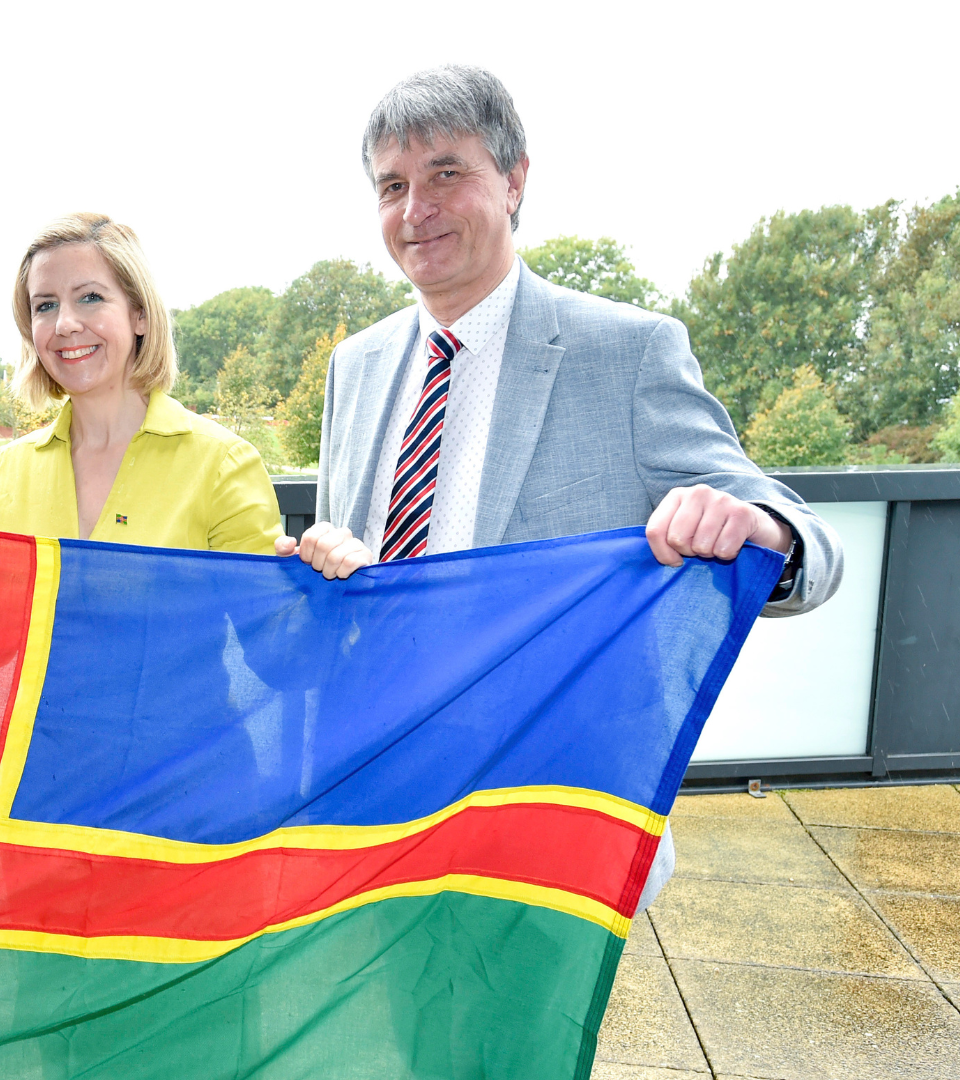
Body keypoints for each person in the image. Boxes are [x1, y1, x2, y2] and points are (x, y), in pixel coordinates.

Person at [279, 65, 846, 909]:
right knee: (404, 1040)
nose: (414, 210)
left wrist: (757, 528)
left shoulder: (628, 351)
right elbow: (351, 560)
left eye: (446, 173)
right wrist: (319, 558)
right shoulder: (353, 366)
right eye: (391, 185)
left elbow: (814, 548)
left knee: (528, 1038)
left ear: (513, 181)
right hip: (385, 789)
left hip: (551, 805)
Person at [0, 213, 282, 553]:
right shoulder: (10, 474)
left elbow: (272, 621)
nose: (65, 324)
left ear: (139, 315)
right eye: (46, 305)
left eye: (90, 297)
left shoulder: (223, 464)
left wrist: (329, 561)